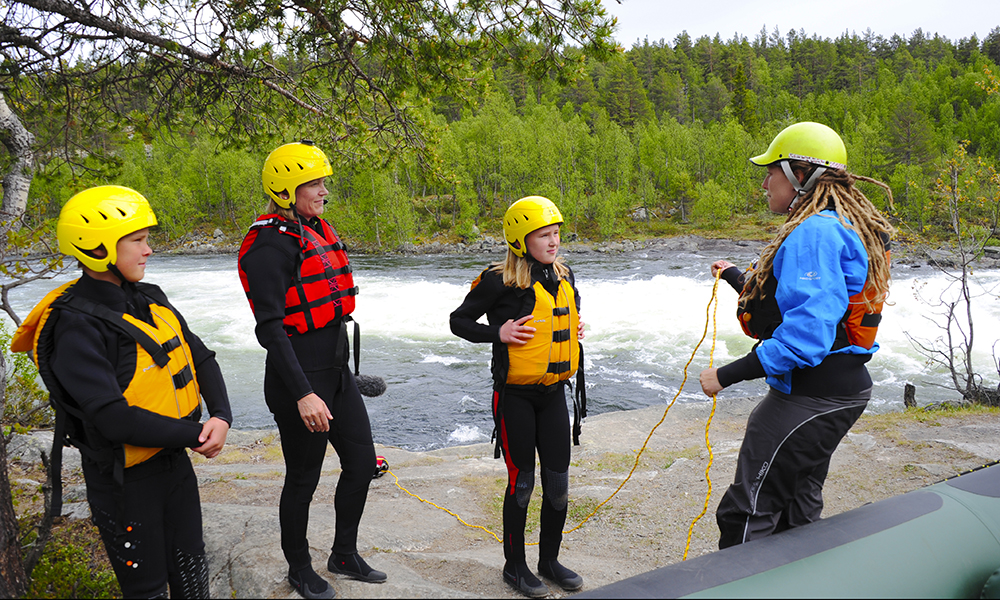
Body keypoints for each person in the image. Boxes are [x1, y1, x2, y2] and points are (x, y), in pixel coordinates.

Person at [11, 185, 232, 598]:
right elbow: (113, 419)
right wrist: (197, 435)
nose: (149, 250)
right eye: (137, 240)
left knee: (191, 575)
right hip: (124, 484)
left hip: (173, 466)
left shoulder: (148, 298)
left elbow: (199, 355)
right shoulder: (75, 327)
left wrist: (220, 416)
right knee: (146, 589)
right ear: (97, 248)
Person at [698, 122, 895, 549]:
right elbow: (791, 298)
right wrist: (733, 273)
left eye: (772, 171)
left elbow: (805, 338)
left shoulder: (815, 232)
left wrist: (725, 376)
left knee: (747, 511)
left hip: (811, 396)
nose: (765, 182)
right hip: (841, 390)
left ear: (801, 176)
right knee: (799, 503)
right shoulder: (845, 224)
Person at [237, 140, 384, 600]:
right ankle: (299, 568)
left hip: (335, 375)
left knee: (361, 465)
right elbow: (271, 330)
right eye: (314, 184)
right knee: (302, 479)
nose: (323, 192)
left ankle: (343, 553)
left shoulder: (312, 229)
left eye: (323, 182)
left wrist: (342, 378)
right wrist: (303, 393)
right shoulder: (267, 245)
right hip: (297, 380)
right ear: (284, 190)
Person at [450, 196, 587, 598]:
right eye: (544, 235)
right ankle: (515, 567)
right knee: (522, 482)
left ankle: (549, 561)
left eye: (556, 233)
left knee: (558, 484)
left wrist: (575, 329)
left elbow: (565, 317)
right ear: (519, 239)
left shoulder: (565, 275)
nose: (553, 241)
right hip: (515, 398)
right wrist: (499, 333)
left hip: (554, 395)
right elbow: (458, 321)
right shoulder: (497, 280)